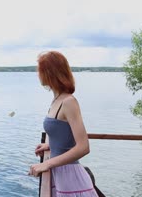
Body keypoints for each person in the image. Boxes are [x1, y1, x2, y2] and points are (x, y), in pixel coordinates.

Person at [29, 51, 98, 197]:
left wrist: (46, 164)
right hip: (60, 175)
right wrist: (50, 145)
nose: (38, 75)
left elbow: (83, 147)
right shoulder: (57, 100)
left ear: (50, 73)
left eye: (40, 71)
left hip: (71, 179)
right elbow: (64, 133)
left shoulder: (69, 102)